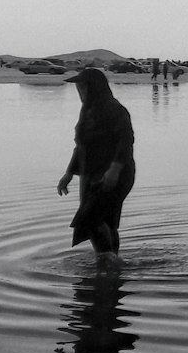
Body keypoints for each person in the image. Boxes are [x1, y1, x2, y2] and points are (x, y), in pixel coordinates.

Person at [57, 68, 135, 261]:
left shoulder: (114, 109)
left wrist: (114, 170)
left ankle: (108, 262)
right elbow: (82, 145)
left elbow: (126, 141)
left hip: (115, 173)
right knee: (105, 220)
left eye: (83, 88)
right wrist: (69, 173)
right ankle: (111, 265)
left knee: (89, 219)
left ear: (94, 88)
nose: (80, 92)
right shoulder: (87, 111)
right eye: (78, 88)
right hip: (91, 172)